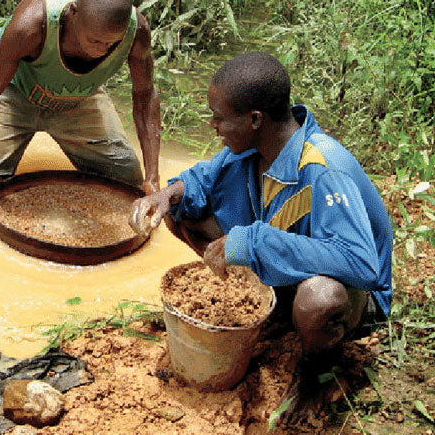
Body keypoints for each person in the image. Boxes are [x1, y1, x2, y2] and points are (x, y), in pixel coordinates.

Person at [129, 51, 392, 369]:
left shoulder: (324, 167)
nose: (212, 125)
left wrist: (254, 242)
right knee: (178, 209)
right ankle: (268, 306)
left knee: (318, 299)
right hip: (291, 270)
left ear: (254, 119)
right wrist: (163, 195)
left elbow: (362, 266)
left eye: (219, 116)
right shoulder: (249, 149)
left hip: (350, 296)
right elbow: (200, 180)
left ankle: (313, 373)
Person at [0, 0, 161, 229]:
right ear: (73, 13)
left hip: (80, 97)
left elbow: (145, 96)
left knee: (127, 183)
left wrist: (153, 176)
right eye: (94, 40)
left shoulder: (136, 31)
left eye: (110, 44)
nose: (100, 50)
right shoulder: (32, 23)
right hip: (15, 93)